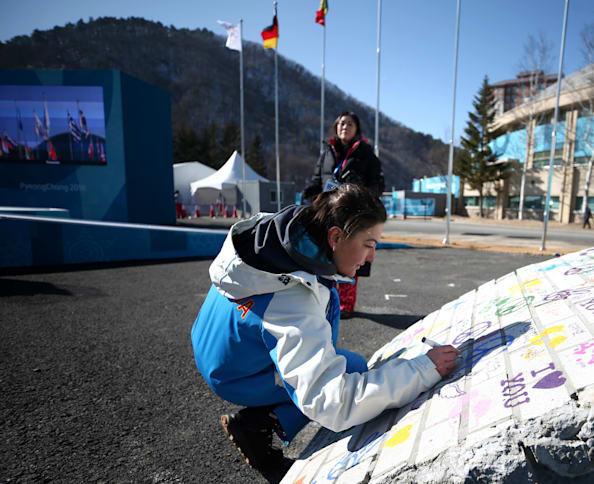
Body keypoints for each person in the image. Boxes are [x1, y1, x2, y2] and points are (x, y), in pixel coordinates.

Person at [190, 184, 458, 483]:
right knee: (345, 375)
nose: (372, 258)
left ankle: (259, 414)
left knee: (348, 362)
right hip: (235, 372)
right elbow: (332, 402)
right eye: (369, 244)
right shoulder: (291, 303)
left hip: (214, 342)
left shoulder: (284, 235)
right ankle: (254, 427)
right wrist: (423, 369)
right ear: (335, 236)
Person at [302, 111, 385, 318]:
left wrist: (361, 191)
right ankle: (322, 299)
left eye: (349, 124)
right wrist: (310, 192)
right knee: (324, 254)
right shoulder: (327, 151)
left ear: (357, 129)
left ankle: (345, 305)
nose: (344, 127)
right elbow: (318, 177)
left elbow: (378, 184)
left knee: (350, 256)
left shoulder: (365, 153)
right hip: (328, 212)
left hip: (354, 214)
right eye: (340, 124)